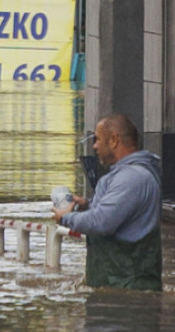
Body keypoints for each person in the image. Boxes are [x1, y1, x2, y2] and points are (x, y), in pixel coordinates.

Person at [52, 113, 163, 291]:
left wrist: (66, 218)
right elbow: (113, 215)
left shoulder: (131, 178)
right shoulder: (125, 176)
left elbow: (101, 223)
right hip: (118, 288)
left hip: (128, 294)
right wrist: (87, 206)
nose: (94, 146)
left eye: (97, 139)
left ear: (113, 140)